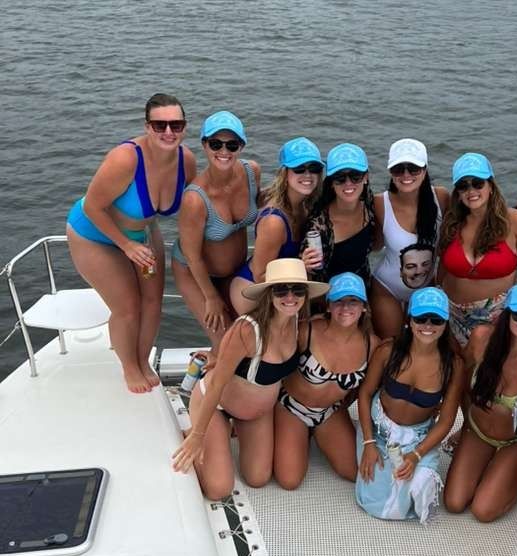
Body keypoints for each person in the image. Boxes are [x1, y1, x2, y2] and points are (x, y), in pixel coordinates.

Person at [66, 93, 196, 393]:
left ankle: (142, 360)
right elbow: (92, 208)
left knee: (153, 303)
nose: (168, 132)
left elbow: (197, 199)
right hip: (95, 235)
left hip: (143, 233)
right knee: (128, 307)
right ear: (147, 126)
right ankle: (129, 367)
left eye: (175, 125)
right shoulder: (125, 159)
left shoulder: (185, 161)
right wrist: (126, 245)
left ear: (184, 127)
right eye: (159, 125)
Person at [172, 259, 328, 499]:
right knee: (218, 489)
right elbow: (216, 384)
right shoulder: (247, 329)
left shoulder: (298, 323)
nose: (290, 297)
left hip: (256, 413)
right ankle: (203, 429)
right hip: (217, 404)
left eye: (297, 289)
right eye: (281, 289)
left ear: (305, 295)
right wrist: (197, 437)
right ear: (269, 293)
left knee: (258, 478)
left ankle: (226, 432)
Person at [443, 283, 517, 522]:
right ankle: (493, 469)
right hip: (477, 431)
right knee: (454, 502)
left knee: (483, 511)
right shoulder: (482, 338)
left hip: (514, 441)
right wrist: (464, 426)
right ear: (506, 314)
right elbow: (461, 382)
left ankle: (506, 475)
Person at [356, 287, 463, 523]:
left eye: (436, 319)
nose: (428, 325)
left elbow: (446, 420)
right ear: (409, 320)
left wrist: (416, 455)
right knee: (376, 503)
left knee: (420, 492)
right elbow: (364, 395)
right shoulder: (388, 351)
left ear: (445, 323)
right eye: (420, 318)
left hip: (419, 436)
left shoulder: (452, 365)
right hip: (379, 430)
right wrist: (369, 442)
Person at [274, 273, 379, 489]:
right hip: (290, 407)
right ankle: (295, 432)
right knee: (289, 480)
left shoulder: (373, 345)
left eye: (353, 301)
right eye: (338, 300)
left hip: (330, 412)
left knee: (357, 473)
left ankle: (314, 435)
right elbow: (268, 354)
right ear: (328, 306)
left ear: (364, 307)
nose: (346, 307)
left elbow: (368, 391)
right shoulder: (306, 330)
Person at [172, 111, 260, 355]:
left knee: (245, 337)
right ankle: (203, 386)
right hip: (195, 273)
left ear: (241, 146)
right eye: (215, 143)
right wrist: (211, 297)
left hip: (234, 271)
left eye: (232, 144)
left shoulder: (252, 172)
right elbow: (192, 256)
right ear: (204, 144)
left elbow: (263, 204)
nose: (224, 151)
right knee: (225, 345)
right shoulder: (195, 199)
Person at [438, 153, 517, 362]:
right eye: (463, 186)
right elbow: (442, 268)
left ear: (490, 186)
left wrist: (513, 311)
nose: (471, 191)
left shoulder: (515, 221)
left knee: (476, 355)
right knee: (454, 363)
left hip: (496, 314)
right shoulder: (451, 221)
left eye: (477, 183)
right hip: (451, 311)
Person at [230, 137, 322, 315]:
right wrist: (300, 266)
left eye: (314, 168)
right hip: (253, 294)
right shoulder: (274, 222)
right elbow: (260, 275)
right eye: (299, 169)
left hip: (283, 291)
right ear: (285, 174)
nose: (308, 175)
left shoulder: (304, 206)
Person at [371, 139, 449, 338]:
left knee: (425, 347)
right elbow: (374, 245)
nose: (406, 175)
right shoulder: (380, 203)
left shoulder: (441, 198)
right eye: (398, 169)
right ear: (390, 173)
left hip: (428, 285)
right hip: (387, 289)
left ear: (424, 170)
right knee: (392, 346)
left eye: (413, 168)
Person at [300, 143, 375, 285]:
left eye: (355, 176)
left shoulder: (369, 205)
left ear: (366, 177)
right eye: (340, 178)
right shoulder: (319, 227)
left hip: (362, 290)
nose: (348, 183)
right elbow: (312, 276)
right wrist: (304, 266)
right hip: (330, 299)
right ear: (331, 183)